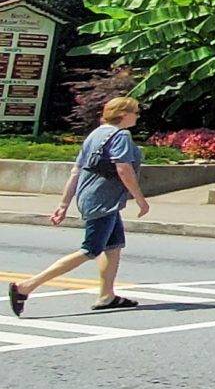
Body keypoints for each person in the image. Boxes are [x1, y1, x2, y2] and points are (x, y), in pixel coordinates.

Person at [10, 95, 152, 316]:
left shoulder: (96, 134)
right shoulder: (121, 135)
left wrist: (64, 204)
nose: (138, 115)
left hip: (95, 198)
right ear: (124, 115)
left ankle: (107, 295)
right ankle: (26, 287)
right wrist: (140, 199)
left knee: (113, 246)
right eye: (136, 112)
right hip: (102, 201)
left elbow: (76, 171)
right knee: (91, 249)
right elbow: (124, 169)